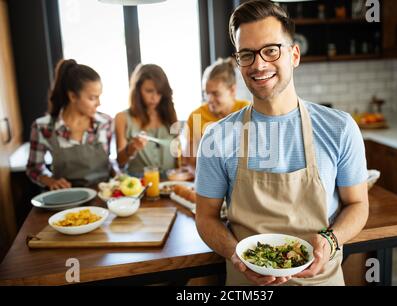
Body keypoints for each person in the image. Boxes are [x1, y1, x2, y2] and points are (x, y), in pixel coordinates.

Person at [195, 0, 369, 286]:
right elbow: (206, 218)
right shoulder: (217, 137)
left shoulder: (340, 127)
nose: (259, 64)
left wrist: (330, 240)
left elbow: (358, 203)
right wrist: (237, 255)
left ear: (294, 55)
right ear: (238, 62)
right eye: (247, 54)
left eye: (271, 50)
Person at [26, 59, 113, 189]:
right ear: (72, 96)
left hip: (104, 194)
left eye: (99, 96)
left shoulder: (105, 122)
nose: (98, 103)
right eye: (92, 98)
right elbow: (33, 168)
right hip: (67, 197)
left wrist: (118, 175)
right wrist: (50, 181)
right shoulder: (42, 127)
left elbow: (109, 163)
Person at [183, 57, 250, 167]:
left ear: (232, 90)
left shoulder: (247, 110)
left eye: (215, 94)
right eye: (206, 93)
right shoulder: (196, 116)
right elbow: (189, 161)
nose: (209, 99)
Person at [115, 64, 178, 178]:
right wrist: (131, 148)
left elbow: (177, 152)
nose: (155, 98)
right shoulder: (122, 118)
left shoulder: (169, 114)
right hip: (139, 183)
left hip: (170, 182)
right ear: (137, 90)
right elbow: (120, 161)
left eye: (159, 93)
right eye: (149, 91)